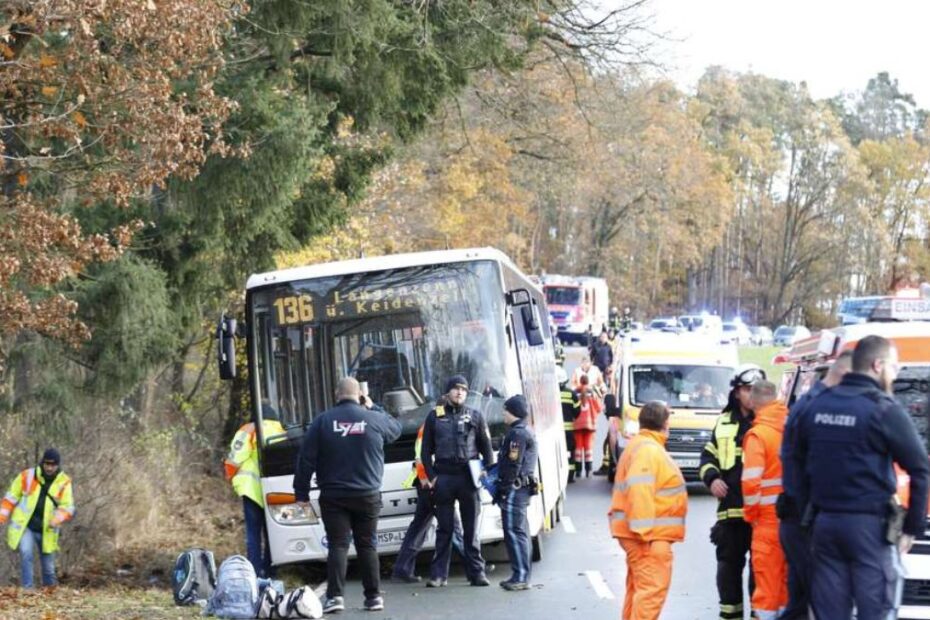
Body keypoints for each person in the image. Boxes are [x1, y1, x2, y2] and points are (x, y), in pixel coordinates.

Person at [795, 336, 930, 618]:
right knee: (876, 610)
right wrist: (911, 528)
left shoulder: (817, 406)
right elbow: (919, 469)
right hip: (869, 529)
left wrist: (805, 517)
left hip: (825, 526)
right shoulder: (883, 409)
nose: (895, 374)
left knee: (830, 612)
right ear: (877, 365)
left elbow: (795, 463)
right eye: (894, 367)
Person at [293, 377, 402, 613]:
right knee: (367, 546)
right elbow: (396, 429)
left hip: (334, 496)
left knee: (338, 546)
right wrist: (373, 406)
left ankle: (335, 598)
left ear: (336, 394)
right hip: (368, 495)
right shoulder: (373, 418)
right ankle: (373, 597)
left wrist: (300, 492)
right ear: (359, 396)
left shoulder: (322, 422)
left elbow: (306, 460)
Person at [778, 351, 852, 619]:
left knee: (800, 600)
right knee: (819, 597)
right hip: (804, 518)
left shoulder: (807, 405)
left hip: (798, 517)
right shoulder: (818, 407)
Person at [609, 401, 688, 620]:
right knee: (650, 596)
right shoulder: (648, 450)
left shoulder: (641, 445)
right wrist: (644, 534)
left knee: (638, 593)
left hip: (645, 537)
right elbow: (639, 490)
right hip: (648, 538)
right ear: (664, 424)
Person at [699, 364, 766, 620]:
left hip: (762, 516)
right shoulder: (724, 422)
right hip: (731, 514)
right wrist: (712, 478)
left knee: (760, 576)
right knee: (728, 573)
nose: (753, 395)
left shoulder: (769, 423)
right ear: (737, 392)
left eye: (757, 390)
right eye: (748, 389)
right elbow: (707, 456)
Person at [420, 374, 495, 587]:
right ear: (447, 392)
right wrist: (433, 478)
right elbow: (425, 452)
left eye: (463, 389)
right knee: (445, 529)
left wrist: (486, 476)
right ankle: (438, 575)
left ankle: (477, 573)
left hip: (468, 478)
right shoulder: (434, 417)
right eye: (455, 388)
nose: (460, 392)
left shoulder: (476, 416)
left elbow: (487, 450)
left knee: (471, 529)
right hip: (444, 478)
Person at [391, 421, 465, 583]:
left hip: (428, 484)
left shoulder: (429, 427)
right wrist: (428, 480)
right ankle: (474, 565)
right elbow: (421, 457)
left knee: (419, 527)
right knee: (452, 526)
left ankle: (402, 568)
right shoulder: (432, 427)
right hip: (432, 485)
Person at [740, 381, 788, 619]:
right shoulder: (791, 426)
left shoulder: (758, 435)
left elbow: (751, 483)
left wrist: (751, 516)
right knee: (785, 588)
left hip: (767, 522)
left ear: (753, 401)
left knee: (766, 589)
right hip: (791, 520)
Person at [224, 402, 285, 578]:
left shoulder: (249, 429)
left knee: (253, 534)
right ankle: (271, 571)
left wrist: (231, 477)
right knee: (272, 532)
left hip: (251, 490)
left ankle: (255, 574)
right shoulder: (281, 431)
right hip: (276, 490)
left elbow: (235, 459)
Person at [0, 449, 74, 588]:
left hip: (48, 530)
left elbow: (68, 507)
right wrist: (2, 516)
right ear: (42, 462)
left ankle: (50, 594)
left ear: (58, 465)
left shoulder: (64, 482)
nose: (49, 467)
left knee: (48, 568)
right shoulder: (27, 476)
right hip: (26, 526)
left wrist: (56, 519)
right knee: (26, 553)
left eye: (53, 465)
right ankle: (28, 591)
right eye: (47, 464)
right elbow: (11, 497)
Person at [495, 395, 538, 591]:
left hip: (515, 488)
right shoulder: (522, 431)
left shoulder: (517, 435)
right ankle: (521, 574)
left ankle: (521, 576)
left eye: (505, 410)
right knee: (520, 531)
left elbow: (513, 464)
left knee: (514, 532)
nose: (503, 413)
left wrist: (503, 489)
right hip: (521, 488)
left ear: (513, 412)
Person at [574, 374, 601, 478]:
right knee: (588, 448)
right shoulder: (592, 392)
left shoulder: (575, 392)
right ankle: (588, 470)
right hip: (590, 425)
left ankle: (578, 471)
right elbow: (598, 408)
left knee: (578, 449)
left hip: (577, 424)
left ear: (580, 381)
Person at [558, 367, 581, 483]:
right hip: (568, 431)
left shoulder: (549, 393)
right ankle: (570, 476)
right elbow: (577, 411)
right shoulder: (571, 394)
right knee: (569, 452)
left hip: (554, 432)